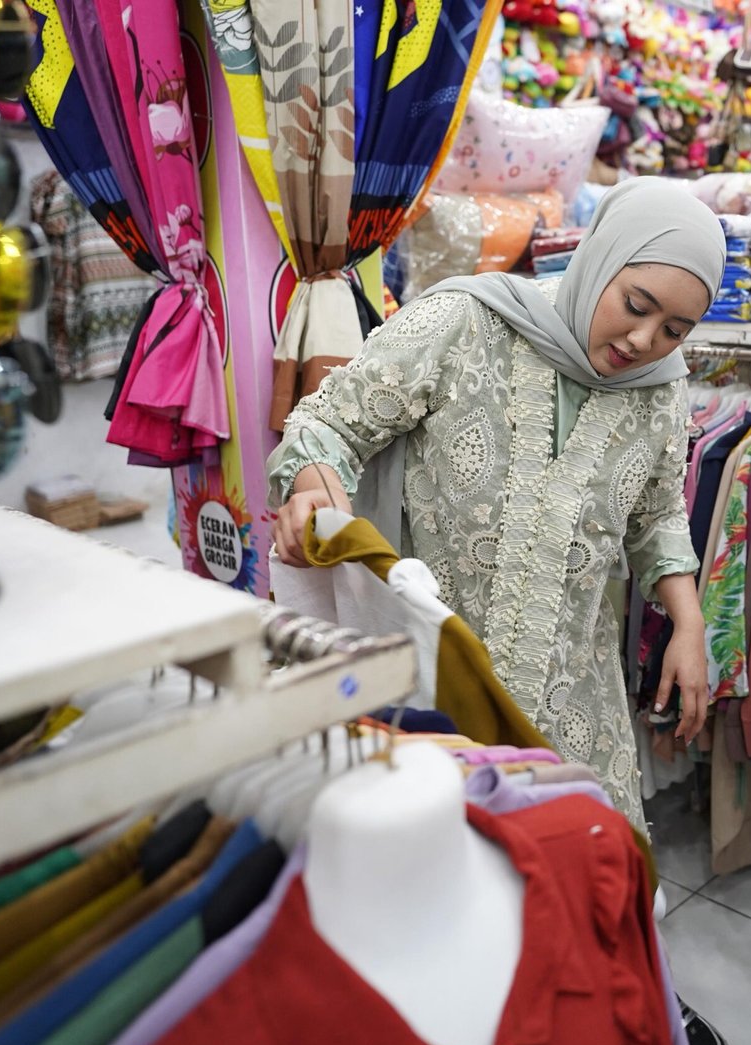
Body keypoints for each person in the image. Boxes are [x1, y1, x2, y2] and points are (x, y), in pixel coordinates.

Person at [266, 177, 724, 834]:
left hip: (571, 706)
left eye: (674, 330)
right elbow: (328, 423)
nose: (645, 341)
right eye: (635, 304)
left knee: (566, 876)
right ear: (601, 258)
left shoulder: (658, 391)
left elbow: (656, 515)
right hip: (434, 688)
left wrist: (687, 622)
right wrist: (314, 488)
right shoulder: (464, 323)